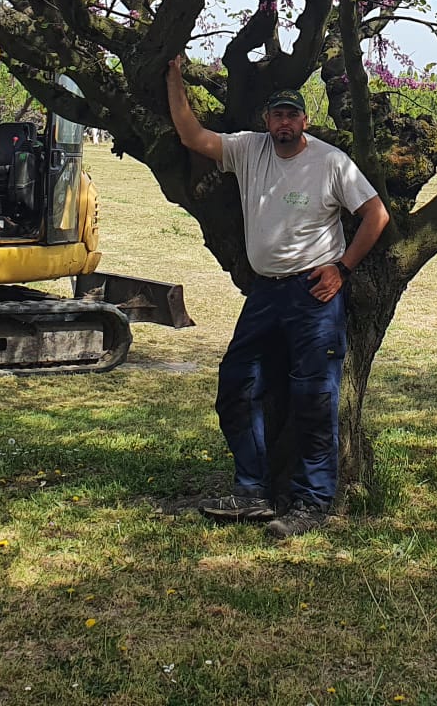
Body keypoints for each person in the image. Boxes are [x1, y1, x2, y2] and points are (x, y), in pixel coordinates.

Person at [166, 56, 390, 539]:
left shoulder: (331, 162)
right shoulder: (249, 150)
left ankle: (312, 502)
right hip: (265, 295)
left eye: (292, 115)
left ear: (304, 121)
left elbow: (376, 215)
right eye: (277, 115)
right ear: (266, 121)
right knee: (238, 386)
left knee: (315, 396)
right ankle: (252, 490)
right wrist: (174, 78)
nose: (284, 123)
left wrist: (342, 268)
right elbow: (191, 136)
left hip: (313, 295)